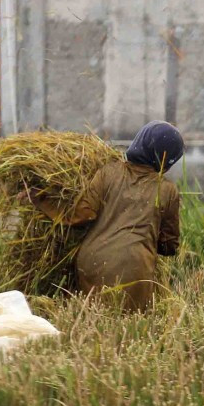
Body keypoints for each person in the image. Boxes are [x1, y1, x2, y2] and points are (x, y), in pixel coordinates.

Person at [27, 121, 185, 311]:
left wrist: (41, 200)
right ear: (167, 160)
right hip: (136, 270)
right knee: (129, 329)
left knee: (93, 322)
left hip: (93, 263)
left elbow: (79, 216)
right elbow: (169, 246)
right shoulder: (167, 190)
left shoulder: (108, 173)